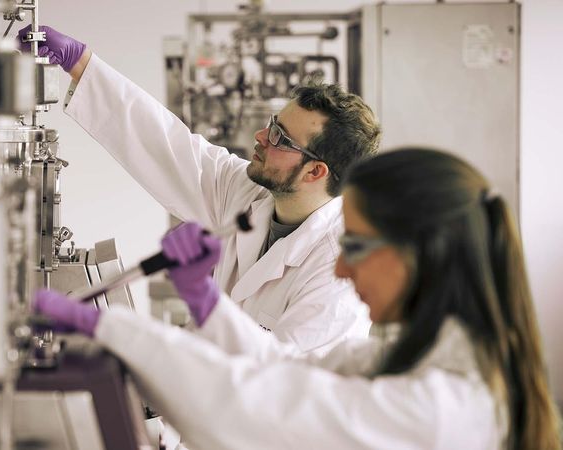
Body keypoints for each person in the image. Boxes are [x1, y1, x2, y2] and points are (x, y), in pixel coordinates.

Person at [34, 148, 561, 449]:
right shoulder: (416, 356)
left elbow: (254, 415)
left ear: (421, 252)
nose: (340, 268)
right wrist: (203, 298)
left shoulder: (445, 408)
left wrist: (113, 328)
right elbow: (283, 371)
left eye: (356, 247)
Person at [19, 25, 382, 352]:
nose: (260, 136)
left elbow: (278, 385)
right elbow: (167, 146)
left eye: (279, 137)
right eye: (272, 124)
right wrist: (81, 64)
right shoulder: (248, 193)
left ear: (315, 171)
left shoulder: (340, 274)